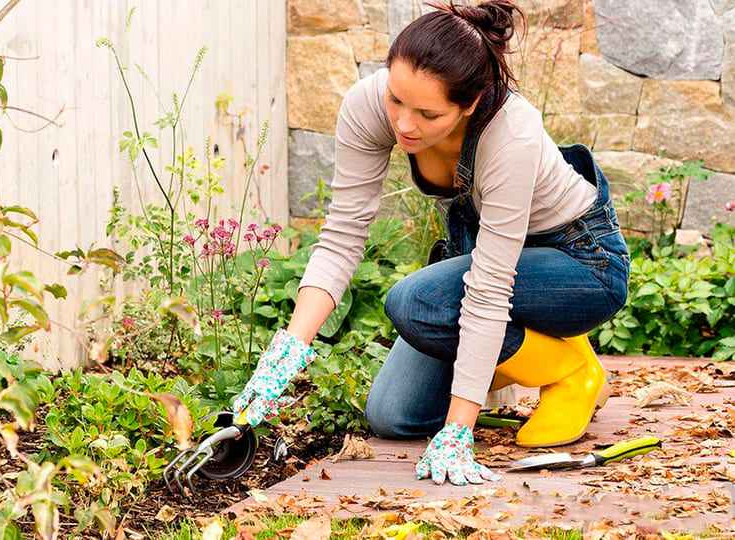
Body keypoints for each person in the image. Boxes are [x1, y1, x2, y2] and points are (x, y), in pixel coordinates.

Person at [232, 0, 630, 487]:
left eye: (427, 113)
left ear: (472, 102)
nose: (403, 123)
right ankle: (533, 353)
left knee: (417, 302)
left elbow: (487, 288)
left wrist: (458, 431)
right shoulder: (368, 105)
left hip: (580, 263)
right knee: (393, 416)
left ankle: (570, 368)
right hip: (489, 257)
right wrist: (286, 353)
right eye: (396, 99)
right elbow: (341, 236)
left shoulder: (511, 133)